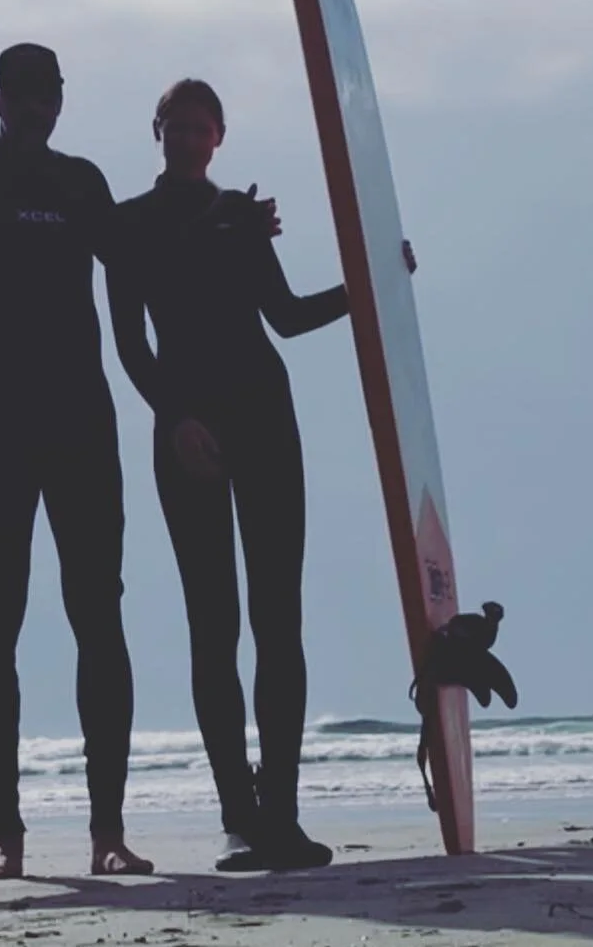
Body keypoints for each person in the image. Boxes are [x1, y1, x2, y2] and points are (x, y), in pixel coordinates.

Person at [106, 78, 415, 873]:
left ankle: (281, 813)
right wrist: (175, 419)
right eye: (174, 126)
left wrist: (370, 286)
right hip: (187, 433)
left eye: (199, 128)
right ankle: (238, 819)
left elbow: (286, 315)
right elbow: (131, 343)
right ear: (156, 131)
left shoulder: (241, 217)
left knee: (279, 619)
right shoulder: (129, 225)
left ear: (219, 137)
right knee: (213, 625)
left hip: (265, 421)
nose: (186, 139)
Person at [0, 43, 152, 881]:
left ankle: (109, 832)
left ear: (60, 102)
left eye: (49, 95)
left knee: (99, 617)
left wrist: (230, 226)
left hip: (80, 427)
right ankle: (5, 833)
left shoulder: (81, 183)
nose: (37, 107)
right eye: (23, 95)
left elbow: (140, 260)